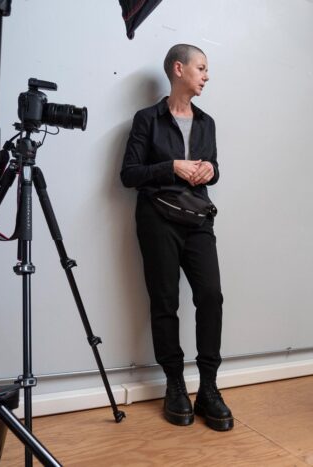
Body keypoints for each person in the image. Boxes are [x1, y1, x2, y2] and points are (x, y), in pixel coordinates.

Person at [120, 44, 233, 431]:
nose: (207, 75)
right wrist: (172, 167)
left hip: (198, 218)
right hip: (157, 219)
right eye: (202, 68)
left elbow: (213, 166)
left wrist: (209, 170)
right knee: (165, 301)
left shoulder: (207, 122)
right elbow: (129, 174)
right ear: (179, 69)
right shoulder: (146, 119)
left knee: (211, 297)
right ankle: (175, 385)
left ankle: (209, 388)